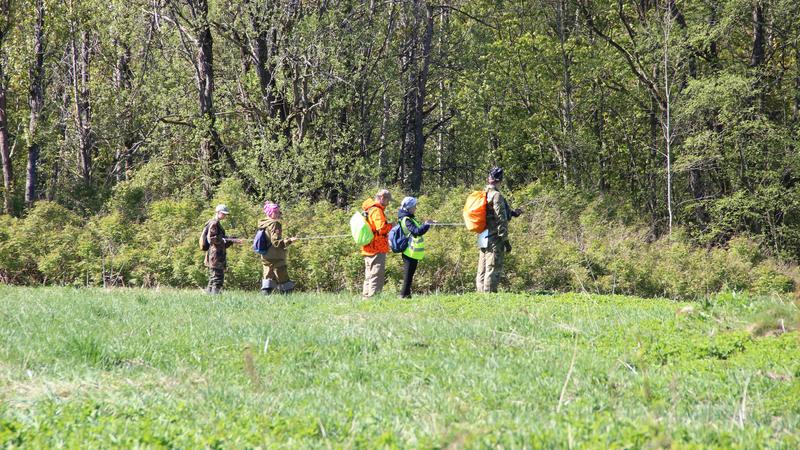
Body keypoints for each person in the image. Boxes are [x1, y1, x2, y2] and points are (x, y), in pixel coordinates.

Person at [476, 167, 512, 293]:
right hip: (493, 236)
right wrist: (505, 240)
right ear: (500, 180)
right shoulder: (496, 195)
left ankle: (480, 292)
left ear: (489, 179)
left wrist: (512, 213)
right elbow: (500, 219)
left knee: (482, 265)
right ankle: (489, 294)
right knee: (492, 265)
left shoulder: (483, 193)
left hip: (482, 234)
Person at [257, 202, 298, 295]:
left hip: (265, 255)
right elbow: (276, 242)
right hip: (276, 256)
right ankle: (289, 299)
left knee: (268, 278)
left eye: (279, 212)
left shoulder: (263, 223)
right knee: (283, 277)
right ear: (271, 213)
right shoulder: (275, 224)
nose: (278, 214)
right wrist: (290, 240)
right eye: (276, 212)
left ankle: (265, 298)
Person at [397, 196, 433, 298]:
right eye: (414, 206)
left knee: (410, 275)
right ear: (409, 208)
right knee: (408, 276)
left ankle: (407, 295)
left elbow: (419, 231)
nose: (415, 208)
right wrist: (426, 224)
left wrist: (427, 225)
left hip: (413, 252)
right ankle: (403, 296)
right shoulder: (406, 219)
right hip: (409, 252)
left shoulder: (410, 218)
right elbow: (417, 232)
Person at [204, 204, 243, 294]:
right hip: (215, 256)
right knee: (217, 278)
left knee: (213, 278)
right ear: (217, 212)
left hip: (217, 255)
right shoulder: (214, 223)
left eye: (225, 214)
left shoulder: (216, 223)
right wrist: (226, 239)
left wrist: (232, 239)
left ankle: (209, 298)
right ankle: (215, 299)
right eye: (223, 213)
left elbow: (221, 238)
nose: (224, 216)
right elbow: (212, 239)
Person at [361, 189, 393, 298]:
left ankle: (366, 297)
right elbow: (381, 229)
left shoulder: (369, 209)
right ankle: (374, 298)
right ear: (382, 198)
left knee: (368, 275)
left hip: (368, 247)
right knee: (376, 274)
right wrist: (391, 225)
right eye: (388, 200)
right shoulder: (377, 211)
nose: (388, 204)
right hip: (377, 247)